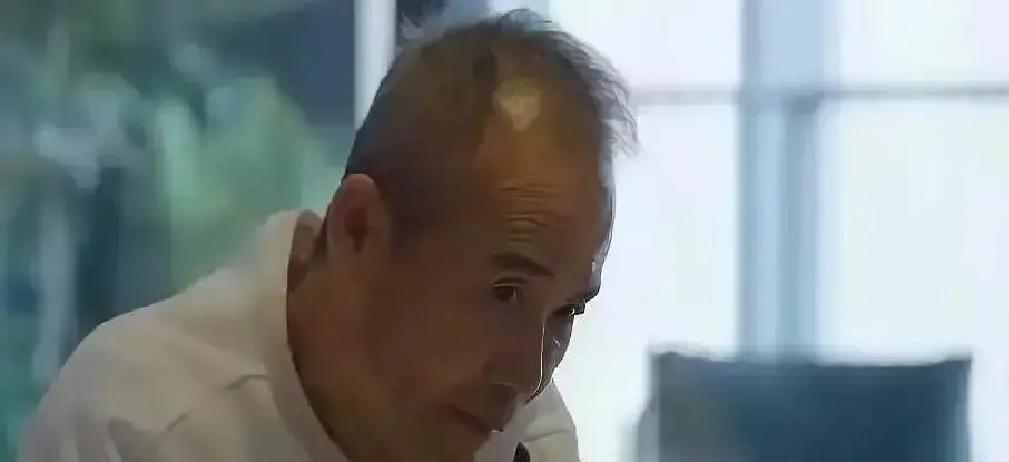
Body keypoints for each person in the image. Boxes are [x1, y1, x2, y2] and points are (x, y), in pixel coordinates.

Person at [18, 9, 635, 462]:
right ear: (358, 230)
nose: (527, 375)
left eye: (564, 314)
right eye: (505, 293)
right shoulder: (132, 427)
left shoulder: (529, 441)